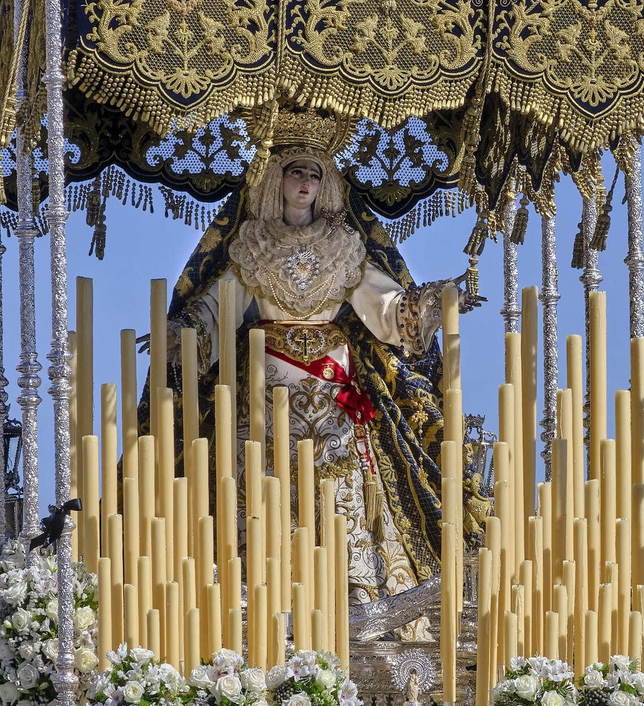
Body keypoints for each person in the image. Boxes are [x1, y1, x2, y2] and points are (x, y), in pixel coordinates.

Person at [156, 139, 487, 635]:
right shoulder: (253, 246)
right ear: (277, 181)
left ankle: (353, 582)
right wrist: (185, 334)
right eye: (295, 173)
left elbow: (385, 305)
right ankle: (257, 580)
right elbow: (218, 307)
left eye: (313, 173)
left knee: (340, 485)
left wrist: (428, 301)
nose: (305, 183)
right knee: (263, 484)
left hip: (333, 391)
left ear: (325, 182)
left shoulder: (343, 247)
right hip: (268, 389)